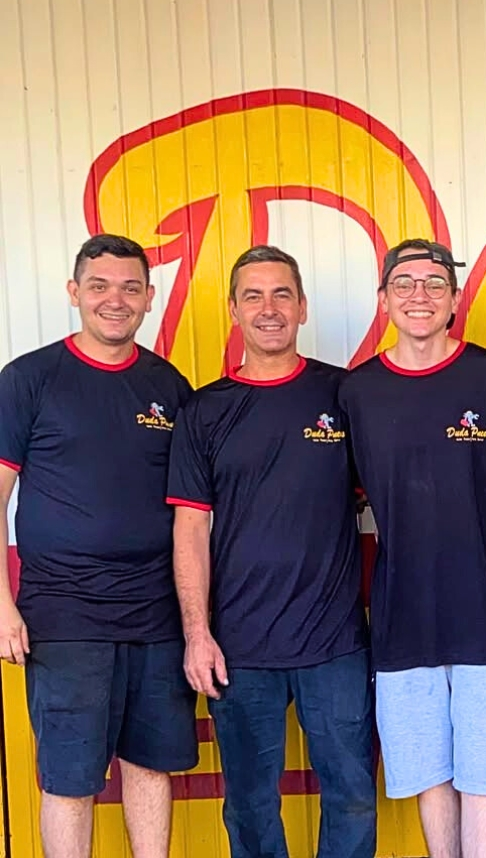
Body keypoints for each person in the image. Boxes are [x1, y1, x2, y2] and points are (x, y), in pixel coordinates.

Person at [168, 245, 375, 858]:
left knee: (352, 795)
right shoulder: (204, 411)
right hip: (240, 647)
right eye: (253, 296)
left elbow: (394, 489)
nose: (269, 308)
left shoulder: (344, 395)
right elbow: (190, 530)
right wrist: (197, 634)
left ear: (303, 307)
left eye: (282, 294)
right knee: (251, 803)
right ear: (233, 310)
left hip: (335, 642)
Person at [0, 233, 197, 858]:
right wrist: (2, 607)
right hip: (64, 617)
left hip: (157, 616)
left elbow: (193, 511)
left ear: (149, 298)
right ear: (74, 292)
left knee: (151, 766)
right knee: (70, 777)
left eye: (131, 288)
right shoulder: (29, 379)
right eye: (100, 286)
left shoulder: (168, 385)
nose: (116, 300)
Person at [339, 239, 486, 858]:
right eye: (405, 283)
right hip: (402, 612)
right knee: (427, 771)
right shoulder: (358, 392)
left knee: (485, 773)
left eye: (434, 283)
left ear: (455, 299)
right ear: (384, 299)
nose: (420, 295)